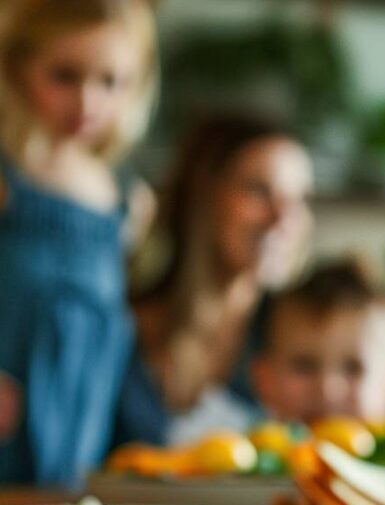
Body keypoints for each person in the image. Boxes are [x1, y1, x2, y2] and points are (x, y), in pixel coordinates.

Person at [0, 0, 158, 486]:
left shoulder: (129, 204)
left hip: (80, 441)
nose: (87, 102)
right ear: (17, 70)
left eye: (110, 82)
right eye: (64, 76)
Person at [128, 115, 314, 441]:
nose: (283, 218)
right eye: (259, 191)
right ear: (202, 197)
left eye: (299, 199)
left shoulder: (297, 338)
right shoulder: (122, 328)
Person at [249, 258, 385, 428]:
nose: (327, 389)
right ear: (264, 380)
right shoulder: (243, 449)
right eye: (304, 366)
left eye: (353, 368)